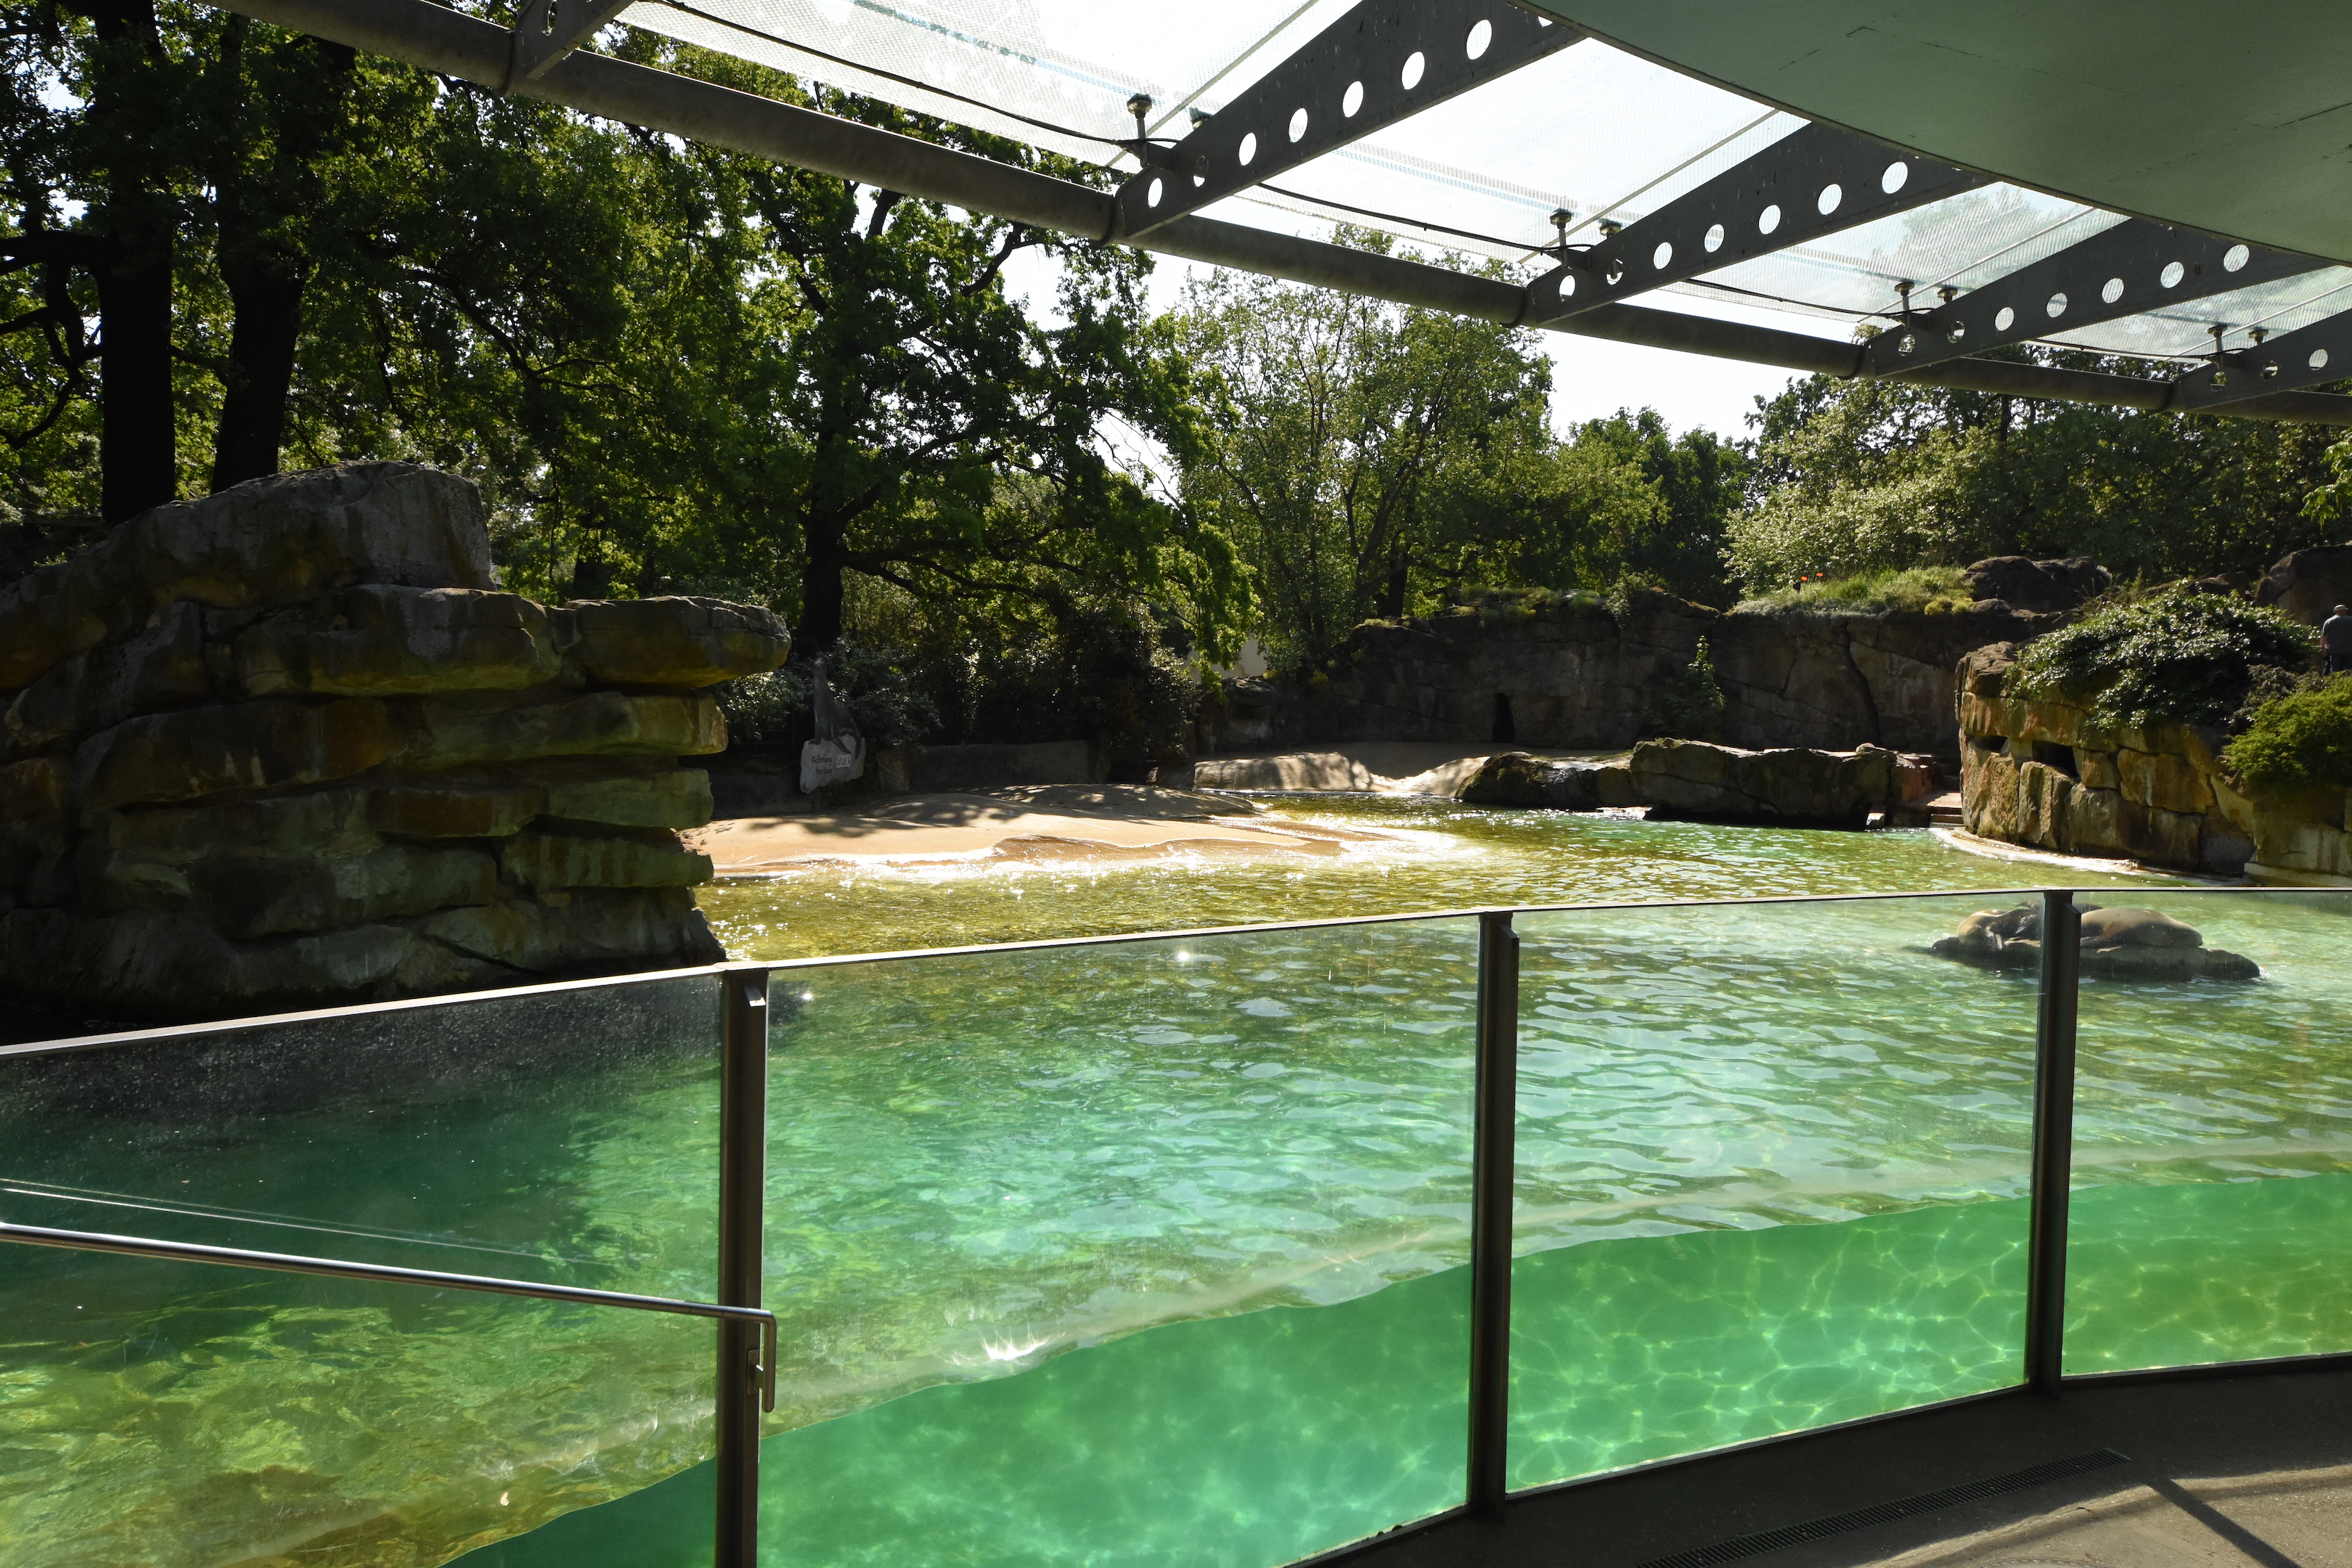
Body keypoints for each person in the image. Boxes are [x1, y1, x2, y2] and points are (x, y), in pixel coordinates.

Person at [2327, 603, 2352, 677]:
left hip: (2334, 649)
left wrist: (2323, 648)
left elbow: (2324, 637)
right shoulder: (2351, 620)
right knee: (2349, 668)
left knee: (2335, 668)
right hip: (2349, 649)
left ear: (2336, 612)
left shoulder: (2329, 622)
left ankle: (2335, 683)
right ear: (2344, 611)